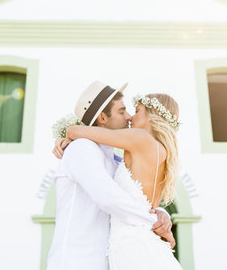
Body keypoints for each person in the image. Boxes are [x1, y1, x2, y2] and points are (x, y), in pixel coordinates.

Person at [47, 81, 174, 270]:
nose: (129, 117)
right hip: (77, 261)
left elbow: (132, 194)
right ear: (102, 118)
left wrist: (162, 214)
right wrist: (152, 220)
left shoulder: (114, 160)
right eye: (122, 112)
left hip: (110, 261)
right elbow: (109, 197)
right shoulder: (81, 149)